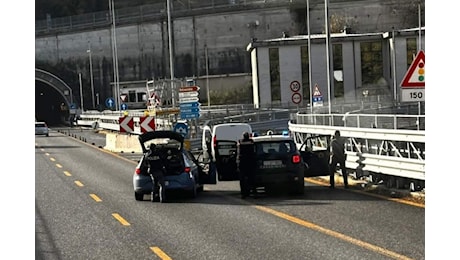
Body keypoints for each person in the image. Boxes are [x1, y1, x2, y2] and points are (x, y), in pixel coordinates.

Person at [237, 132, 256, 198]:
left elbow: (238, 153)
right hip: (250, 163)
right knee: (252, 179)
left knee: (242, 180)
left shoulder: (240, 142)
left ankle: (243, 194)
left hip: (242, 163)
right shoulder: (251, 142)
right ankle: (254, 192)